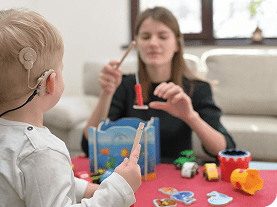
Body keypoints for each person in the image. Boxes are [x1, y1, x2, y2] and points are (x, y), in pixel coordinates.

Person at [0, 8, 141, 207]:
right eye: (61, 69)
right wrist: (118, 190)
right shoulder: (42, 150)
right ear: (50, 82)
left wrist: (87, 190)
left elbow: (41, 183)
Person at [81, 6, 235, 162]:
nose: (153, 43)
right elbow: (89, 146)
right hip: (132, 175)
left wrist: (190, 116)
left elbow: (225, 150)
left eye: (162, 37)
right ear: (137, 44)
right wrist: (106, 93)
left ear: (177, 44)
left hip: (177, 175)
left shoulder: (198, 88)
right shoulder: (124, 85)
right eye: (146, 37)